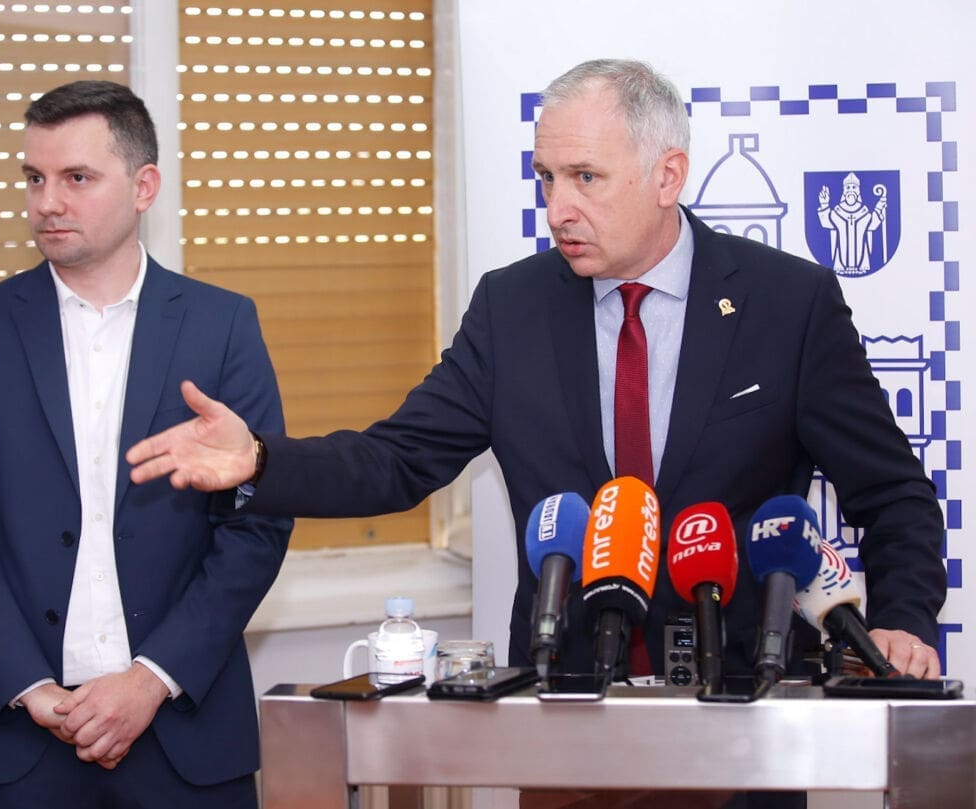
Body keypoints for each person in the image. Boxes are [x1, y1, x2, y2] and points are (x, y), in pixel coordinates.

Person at [126, 59, 947, 806]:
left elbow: (892, 493)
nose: (558, 209)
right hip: (564, 720)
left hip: (743, 722)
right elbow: (396, 459)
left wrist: (904, 620)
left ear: (668, 175)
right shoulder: (512, 307)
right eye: (547, 178)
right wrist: (260, 460)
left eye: (586, 177)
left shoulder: (786, 304)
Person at [0, 80, 291, 809]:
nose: (47, 202)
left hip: (182, 733)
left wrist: (150, 678)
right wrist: (31, 686)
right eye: (35, 178)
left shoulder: (222, 326)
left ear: (144, 186)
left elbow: (256, 524)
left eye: (76, 178)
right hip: (18, 738)